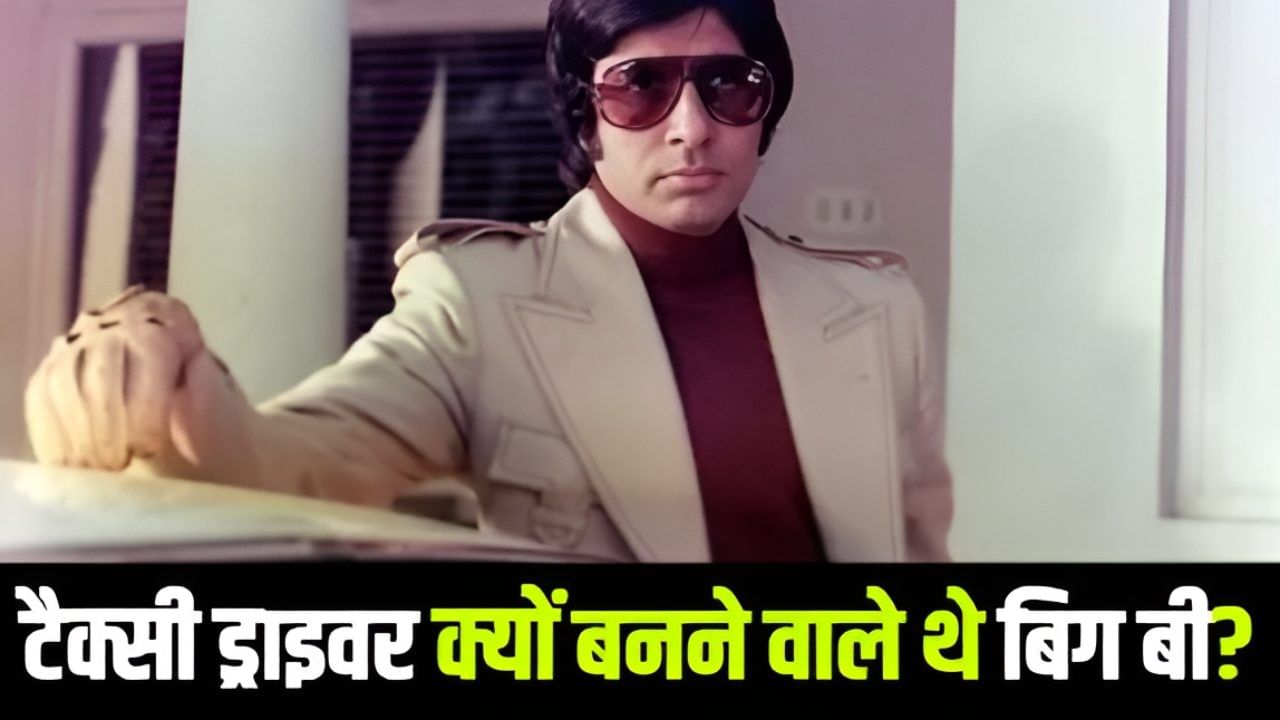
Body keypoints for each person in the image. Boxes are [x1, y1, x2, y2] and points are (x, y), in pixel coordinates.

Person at [22, 0, 953, 563]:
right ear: (587, 116)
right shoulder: (481, 298)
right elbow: (302, 456)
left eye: (729, 86)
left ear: (765, 108)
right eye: (640, 86)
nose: (691, 128)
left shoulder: (875, 309)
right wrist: (158, 377)